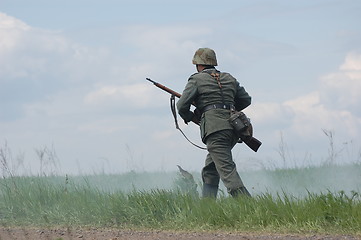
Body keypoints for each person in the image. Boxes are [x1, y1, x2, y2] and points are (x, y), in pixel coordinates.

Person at [176, 47, 252, 198]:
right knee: (210, 170)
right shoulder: (229, 78)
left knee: (227, 170)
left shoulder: (196, 79)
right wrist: (226, 109)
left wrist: (191, 116)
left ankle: (249, 207)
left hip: (215, 130)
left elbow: (181, 106)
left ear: (198, 64)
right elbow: (245, 99)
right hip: (234, 129)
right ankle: (207, 207)